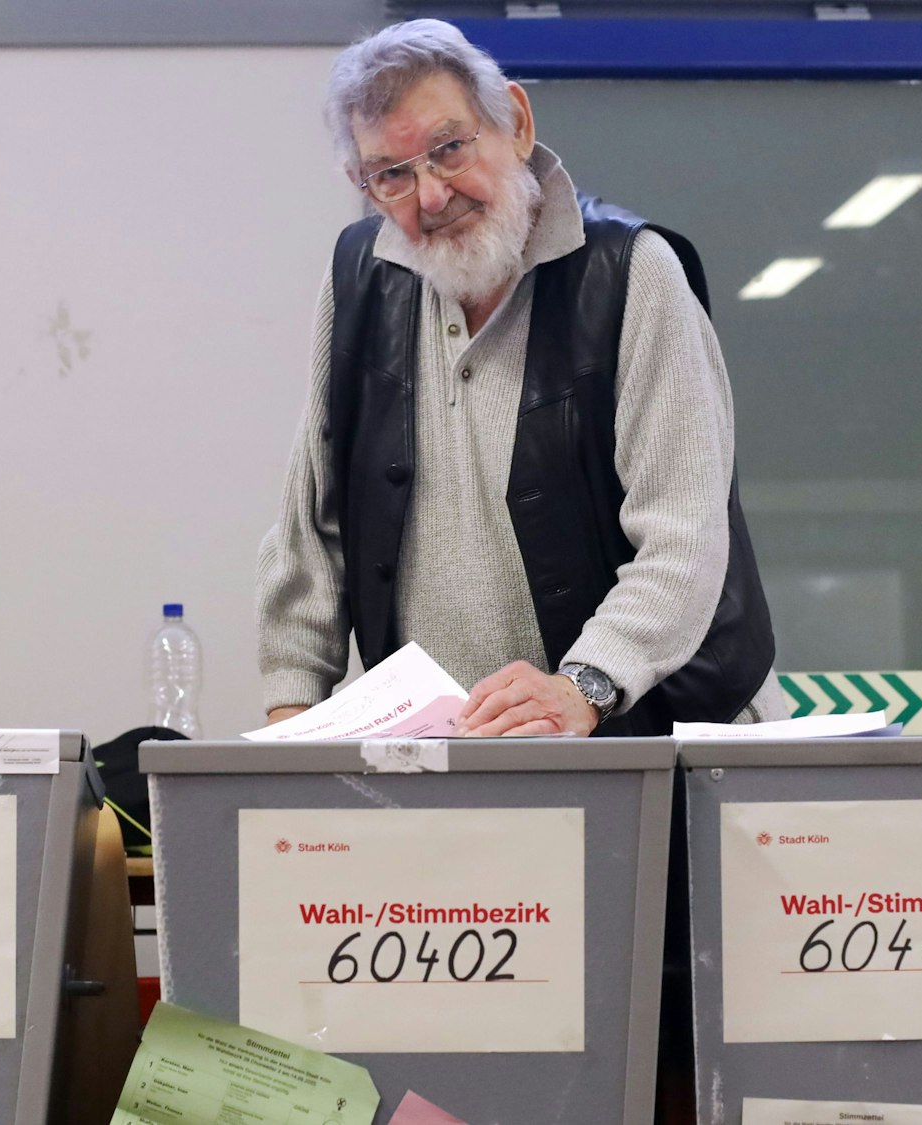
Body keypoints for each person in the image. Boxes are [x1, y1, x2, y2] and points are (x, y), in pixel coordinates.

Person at [257, 19, 786, 738]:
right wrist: (293, 720)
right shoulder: (360, 277)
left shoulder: (633, 275)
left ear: (516, 122)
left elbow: (684, 539)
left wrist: (585, 686)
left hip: (661, 740)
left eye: (448, 149)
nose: (431, 196)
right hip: (453, 762)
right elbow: (310, 532)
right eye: (392, 174)